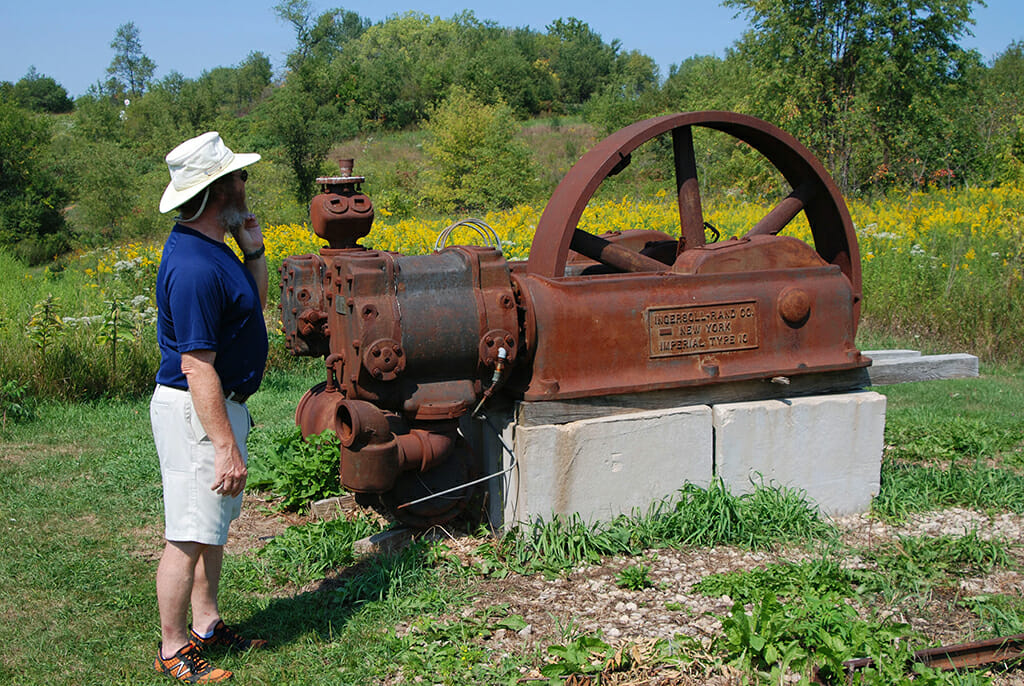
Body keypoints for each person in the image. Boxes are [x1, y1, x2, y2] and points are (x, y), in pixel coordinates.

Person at [150, 132, 269, 683]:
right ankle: (174, 649)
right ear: (221, 188)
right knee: (187, 532)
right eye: (240, 176)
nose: (247, 182)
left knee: (211, 525)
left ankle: (207, 623)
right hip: (199, 412)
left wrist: (255, 251)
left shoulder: (211, 250)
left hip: (216, 407)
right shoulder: (196, 267)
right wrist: (224, 445)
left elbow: (252, 309)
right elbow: (197, 367)